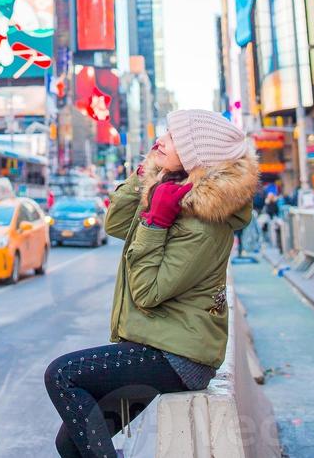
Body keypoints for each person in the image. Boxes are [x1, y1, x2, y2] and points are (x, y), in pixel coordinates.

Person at [44, 109, 258, 457]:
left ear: (195, 156)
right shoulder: (171, 192)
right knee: (68, 441)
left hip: (177, 357)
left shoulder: (202, 223)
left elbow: (147, 292)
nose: (160, 140)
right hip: (156, 344)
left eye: (173, 138)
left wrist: (155, 223)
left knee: (62, 375)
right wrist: (145, 176)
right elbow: (115, 225)